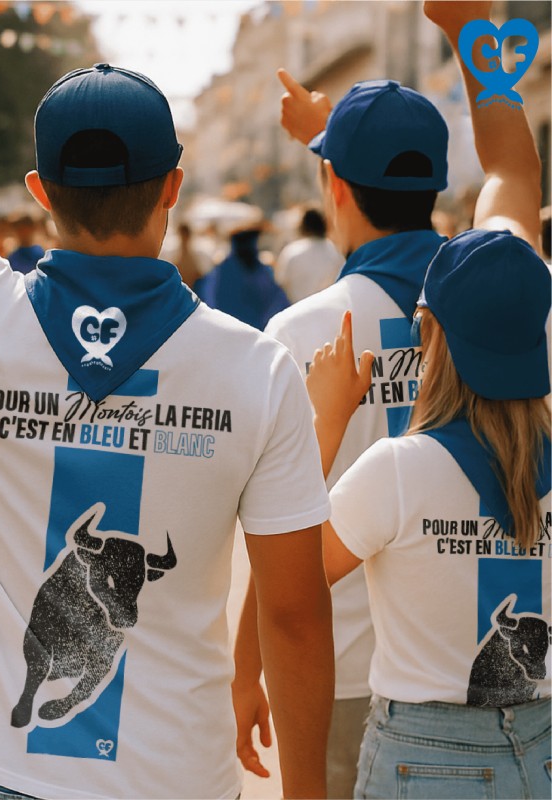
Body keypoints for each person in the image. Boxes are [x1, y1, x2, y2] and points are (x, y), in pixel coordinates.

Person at [0, 5, 335, 799]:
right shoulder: (259, 370)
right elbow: (297, 618)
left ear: (40, 191)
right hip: (175, 778)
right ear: (173, 186)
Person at [233, 1, 544, 796]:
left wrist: (245, 670)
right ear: (440, 181)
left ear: (332, 184)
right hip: (496, 676)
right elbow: (513, 170)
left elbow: (280, 541)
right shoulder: (508, 293)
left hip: (337, 671)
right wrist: (473, 27)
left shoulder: (298, 332)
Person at [194, 223, 290, 331]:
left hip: (257, 332)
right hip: (230, 331)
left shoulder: (261, 270)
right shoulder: (224, 271)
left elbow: (277, 302)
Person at [275, 205, 343, 302]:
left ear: (302, 226)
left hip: (296, 310)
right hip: (330, 309)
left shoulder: (291, 252)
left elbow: (281, 283)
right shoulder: (337, 251)